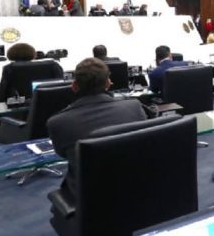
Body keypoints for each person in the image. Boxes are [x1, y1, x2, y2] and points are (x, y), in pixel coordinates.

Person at [47, 58, 147, 203]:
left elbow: (63, 155)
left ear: (74, 86)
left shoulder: (57, 122)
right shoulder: (134, 106)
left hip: (88, 197)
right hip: (135, 185)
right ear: (108, 83)